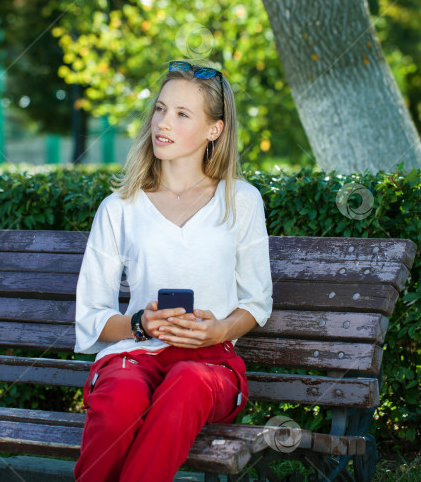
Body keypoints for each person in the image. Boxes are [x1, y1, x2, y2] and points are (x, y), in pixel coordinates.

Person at [72, 60, 273, 481]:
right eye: (160, 109)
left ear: (214, 129)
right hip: (134, 356)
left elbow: (257, 301)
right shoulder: (119, 208)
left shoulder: (241, 200)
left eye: (182, 114)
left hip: (211, 365)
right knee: (121, 398)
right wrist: (140, 324)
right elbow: (92, 315)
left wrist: (218, 330)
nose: (162, 123)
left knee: (185, 382)